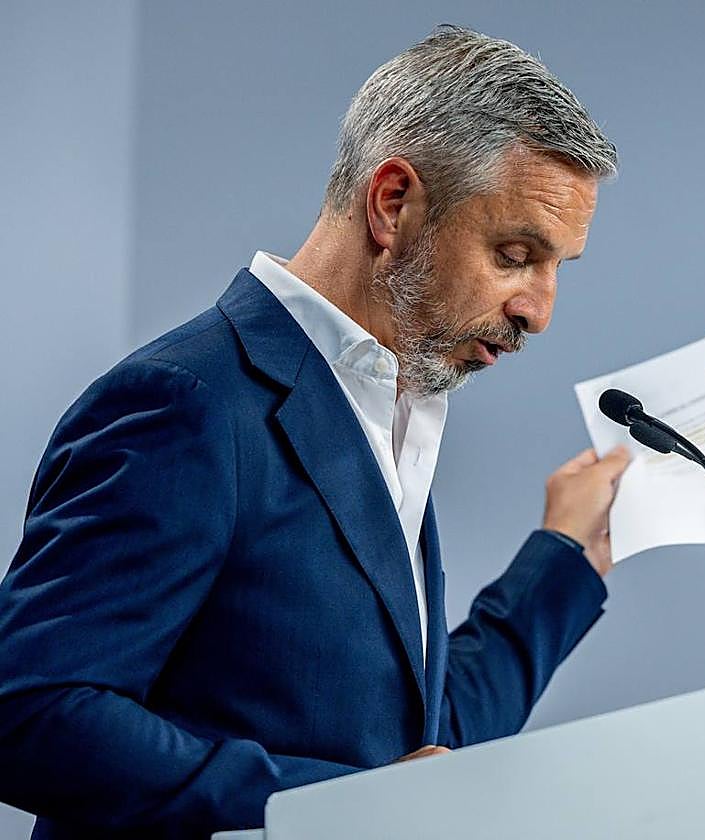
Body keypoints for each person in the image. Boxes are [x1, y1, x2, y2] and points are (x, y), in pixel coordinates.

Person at [0, 26, 629, 839]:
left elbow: (409, 748)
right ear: (393, 202)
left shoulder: (392, 408)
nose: (538, 311)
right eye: (515, 255)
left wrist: (563, 561)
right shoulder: (185, 403)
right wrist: (331, 809)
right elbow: (29, 709)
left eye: (555, 271)